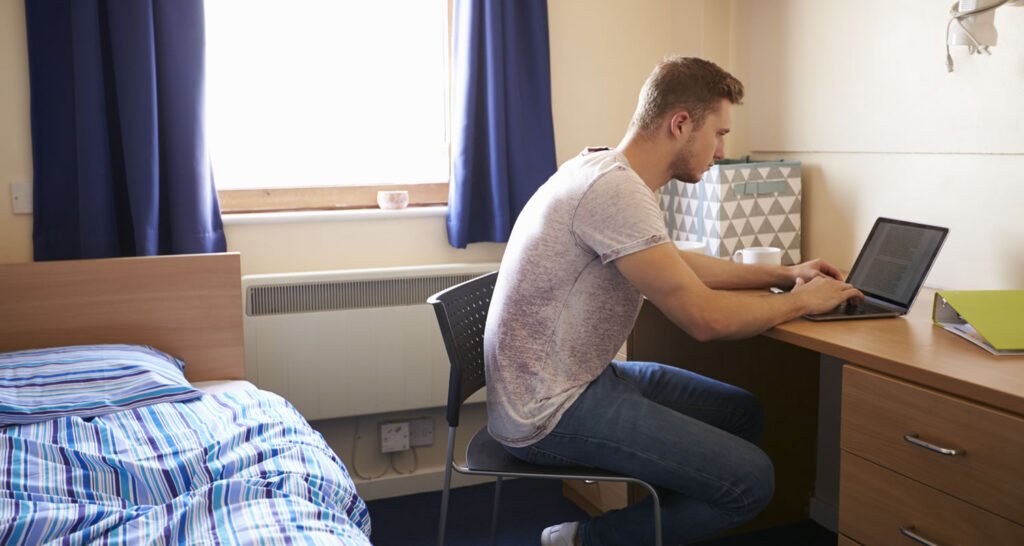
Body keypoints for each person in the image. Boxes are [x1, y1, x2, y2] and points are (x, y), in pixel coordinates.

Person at [483, 56, 862, 546]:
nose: (722, 151)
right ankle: (579, 540)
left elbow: (677, 264)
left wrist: (787, 274)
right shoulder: (615, 190)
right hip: (549, 409)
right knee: (752, 482)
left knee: (741, 413)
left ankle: (658, 529)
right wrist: (804, 302)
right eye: (719, 134)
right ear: (680, 124)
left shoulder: (605, 168)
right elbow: (704, 319)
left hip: (575, 379)